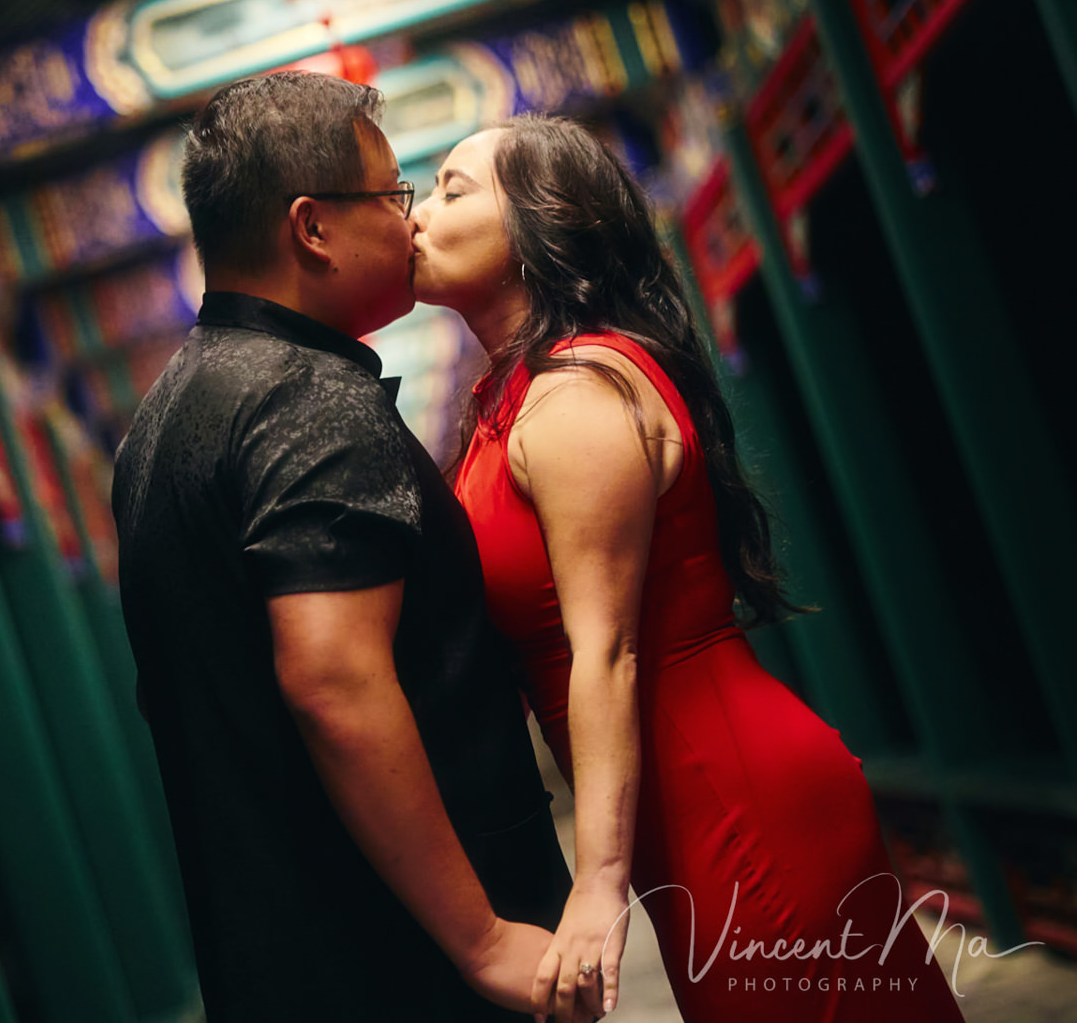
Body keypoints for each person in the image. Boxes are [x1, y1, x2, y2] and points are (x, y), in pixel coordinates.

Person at [408, 114, 965, 1022]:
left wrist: (599, 884)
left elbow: (610, 649)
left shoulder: (579, 392)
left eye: (452, 190)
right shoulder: (513, 397)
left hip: (730, 794)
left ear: (540, 226)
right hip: (683, 802)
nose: (418, 216)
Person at [112, 73, 579, 1023]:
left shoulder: (159, 419)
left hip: (286, 954)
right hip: (405, 962)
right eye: (393, 195)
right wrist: (482, 939)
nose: (410, 225)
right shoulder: (306, 397)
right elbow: (333, 684)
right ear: (312, 227)